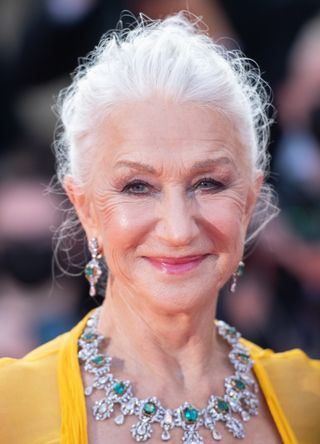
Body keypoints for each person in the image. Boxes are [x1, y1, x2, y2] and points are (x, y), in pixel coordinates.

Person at [0, 13, 319, 444]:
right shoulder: (11, 409)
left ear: (248, 202)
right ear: (86, 208)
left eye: (209, 183)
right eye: (137, 187)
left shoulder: (309, 401)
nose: (178, 229)